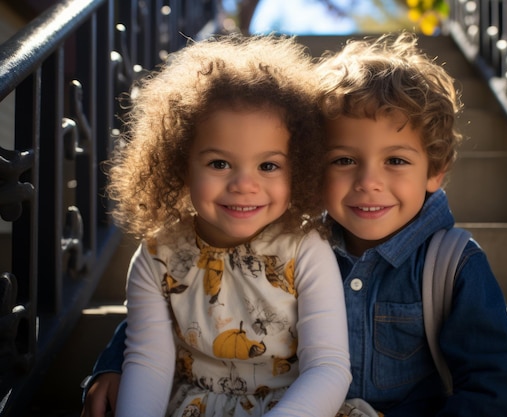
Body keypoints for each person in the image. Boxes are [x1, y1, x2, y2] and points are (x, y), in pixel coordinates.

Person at [82, 32, 507, 417]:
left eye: (395, 160)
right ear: (314, 165)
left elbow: (492, 389)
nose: (369, 182)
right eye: (344, 160)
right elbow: (186, 308)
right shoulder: (290, 236)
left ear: (436, 170)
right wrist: (113, 361)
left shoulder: (450, 266)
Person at [90, 34, 353, 417]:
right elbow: (148, 363)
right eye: (219, 164)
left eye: (268, 165)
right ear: (181, 164)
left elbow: (327, 368)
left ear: (299, 167)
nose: (244, 185)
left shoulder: (304, 248)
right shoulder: (156, 256)